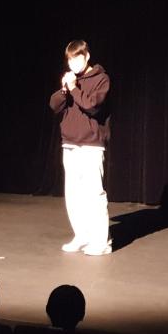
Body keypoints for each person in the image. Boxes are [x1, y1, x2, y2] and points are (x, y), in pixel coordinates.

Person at [49, 39, 112, 255]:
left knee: (94, 194)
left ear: (87, 57)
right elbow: (54, 105)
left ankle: (101, 242)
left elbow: (92, 106)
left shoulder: (101, 79)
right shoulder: (70, 81)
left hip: (91, 145)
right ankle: (82, 235)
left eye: (77, 59)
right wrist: (64, 90)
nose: (73, 64)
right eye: (70, 60)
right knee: (74, 194)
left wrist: (74, 88)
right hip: (70, 144)